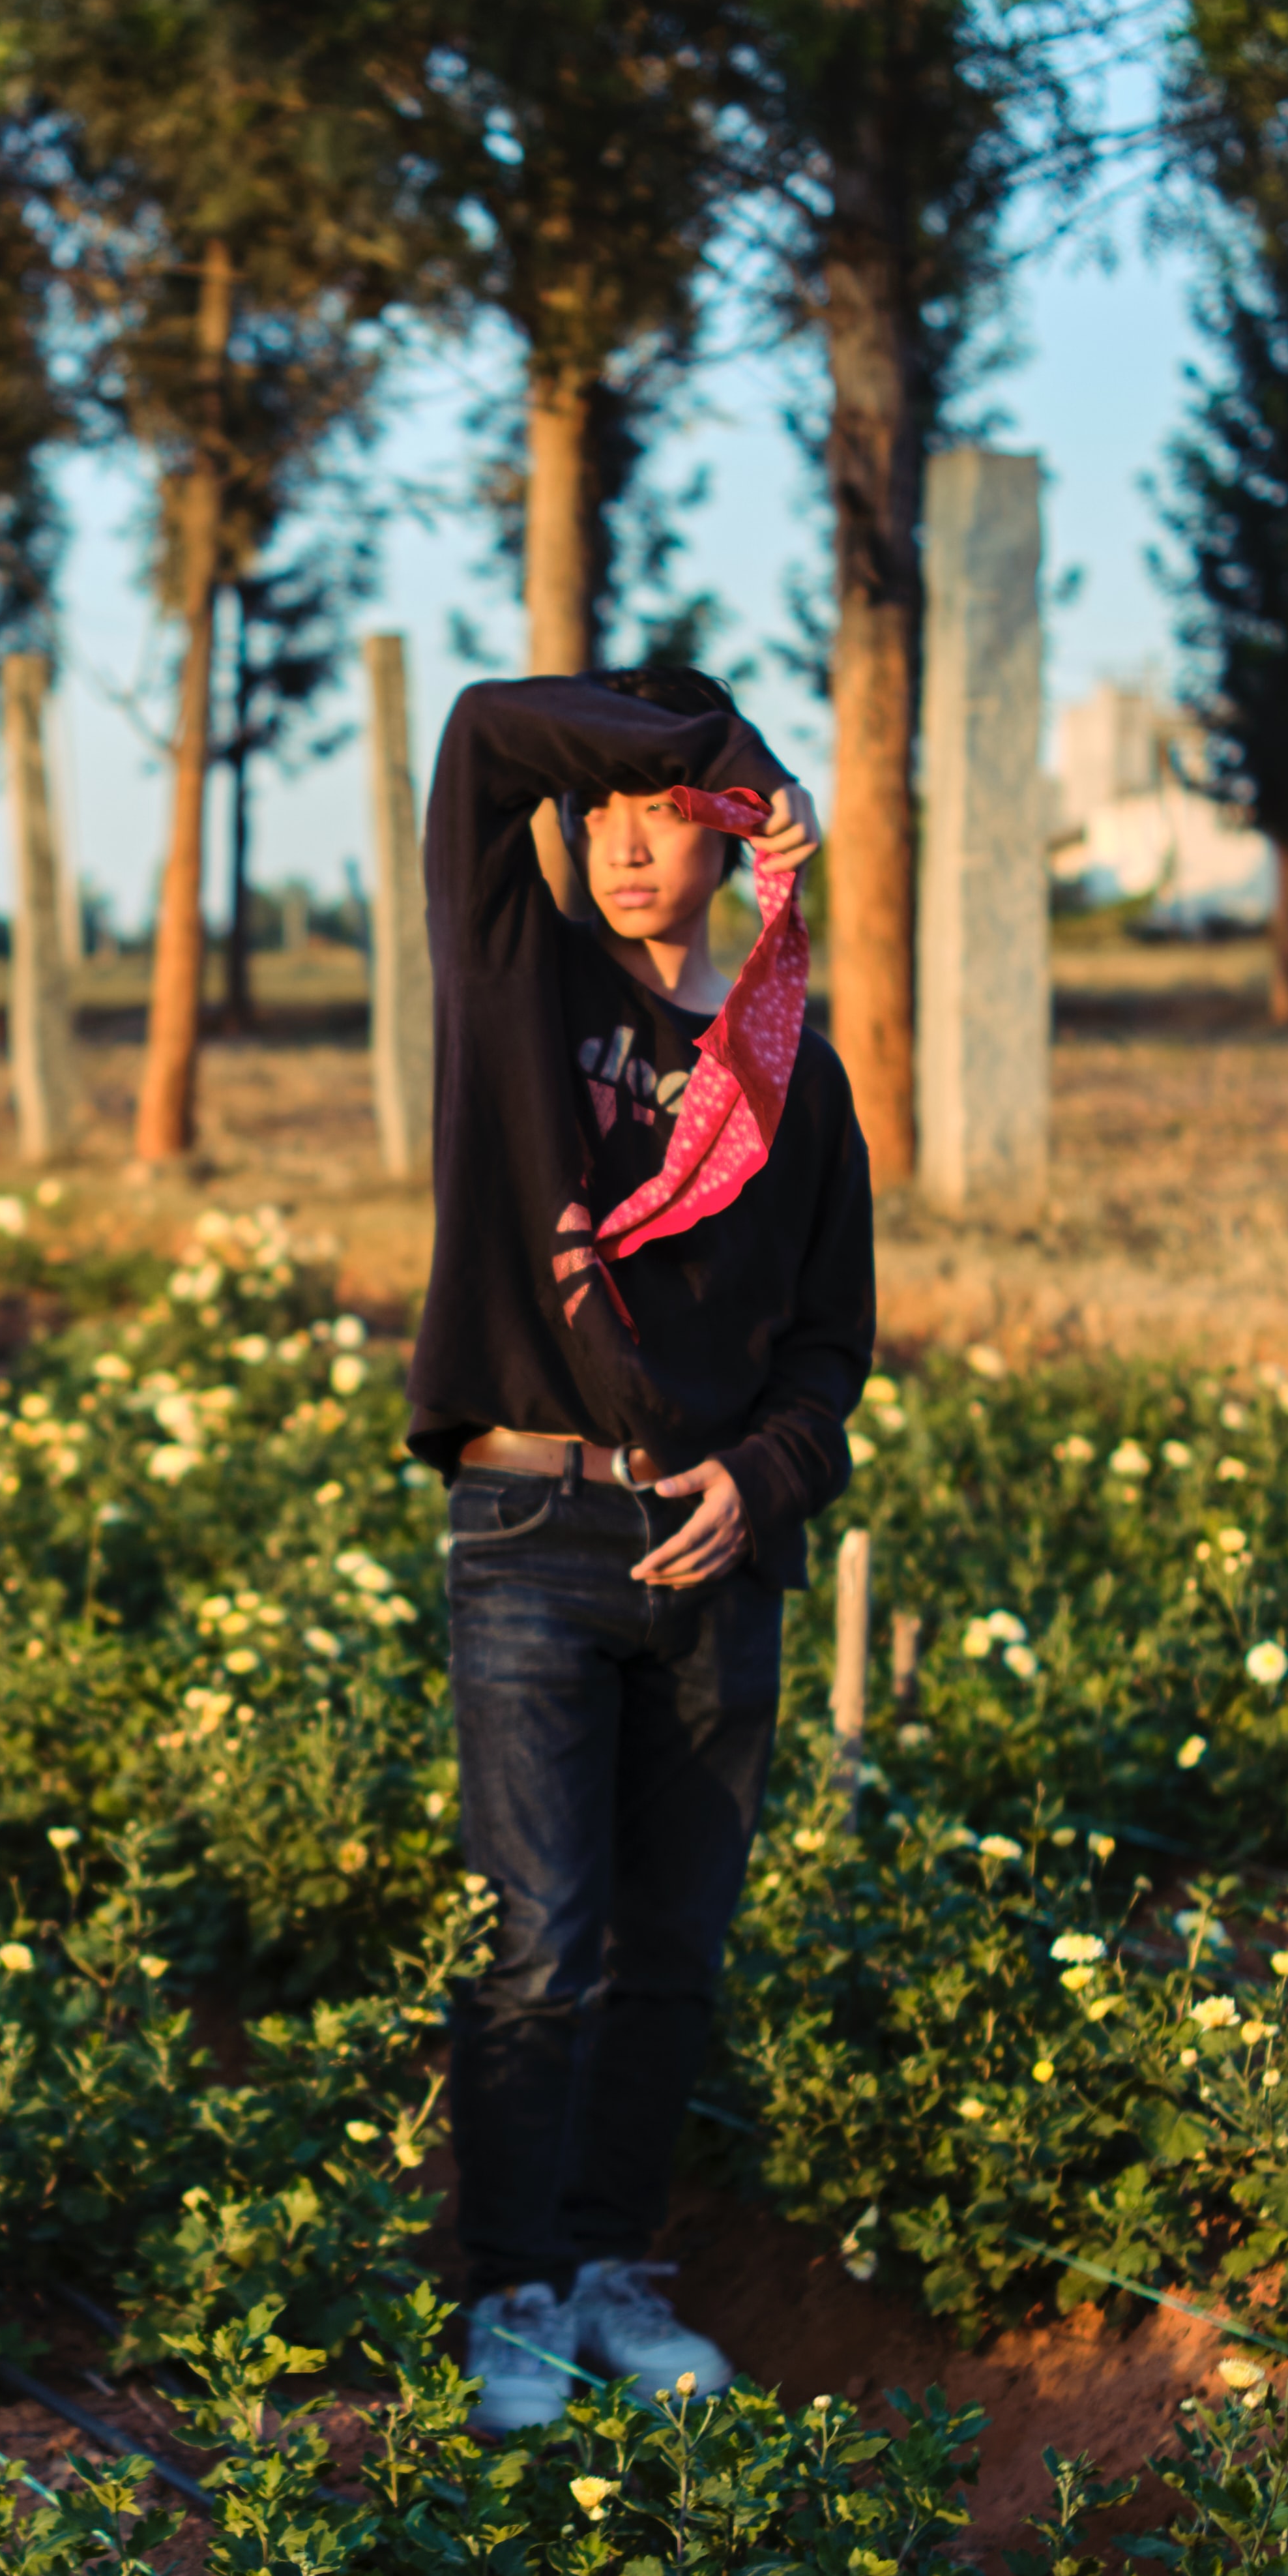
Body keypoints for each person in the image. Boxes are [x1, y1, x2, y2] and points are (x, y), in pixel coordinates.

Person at [403, 664, 874, 2431]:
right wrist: (718, 745)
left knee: (671, 1942)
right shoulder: (514, 980)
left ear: (726, 848)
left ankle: (606, 2274)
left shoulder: (785, 1075)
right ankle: (507, 2293)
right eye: (599, 807)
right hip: (531, 1521)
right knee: (542, 1936)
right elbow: (482, 734)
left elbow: (833, 1345)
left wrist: (764, 1477)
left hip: (711, 1545)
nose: (619, 838)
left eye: (665, 811)